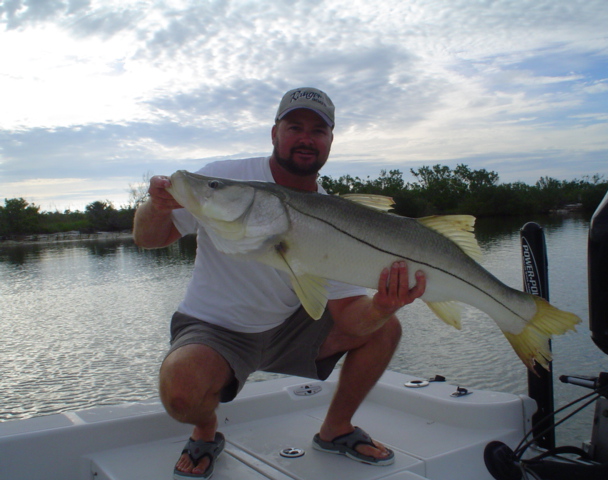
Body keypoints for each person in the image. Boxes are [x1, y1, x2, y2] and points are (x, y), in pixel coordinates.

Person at [133, 87, 427, 479]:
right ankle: (206, 429)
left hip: (290, 327)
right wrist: (156, 205)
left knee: (383, 328)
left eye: (318, 131)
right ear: (275, 133)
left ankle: (335, 429)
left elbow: (349, 317)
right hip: (216, 329)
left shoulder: (336, 213)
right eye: (295, 127)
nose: (306, 138)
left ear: (329, 141)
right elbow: (148, 238)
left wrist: (381, 306)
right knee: (181, 392)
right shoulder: (225, 181)